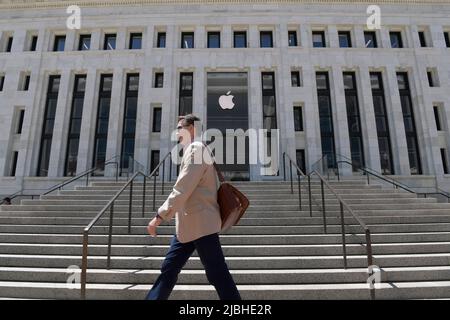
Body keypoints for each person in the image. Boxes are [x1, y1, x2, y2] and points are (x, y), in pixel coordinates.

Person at [146, 114, 241, 300]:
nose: (177, 132)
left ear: (192, 129)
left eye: (180, 127)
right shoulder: (195, 150)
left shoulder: (196, 149)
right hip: (188, 226)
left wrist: (159, 216)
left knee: (217, 274)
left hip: (201, 224)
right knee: (169, 269)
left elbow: (182, 188)